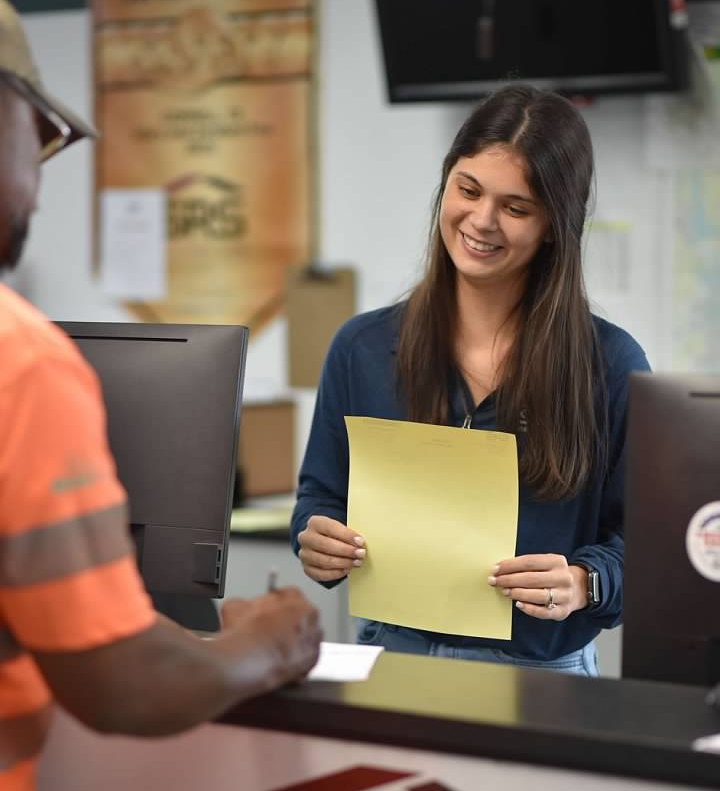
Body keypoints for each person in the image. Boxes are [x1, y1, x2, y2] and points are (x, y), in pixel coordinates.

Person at [0, 3, 321, 788]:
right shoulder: (20, 361)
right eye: (38, 138)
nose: (39, 187)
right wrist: (273, 639)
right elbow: (121, 682)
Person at [291, 84, 650, 677]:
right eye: (468, 189)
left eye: (516, 207)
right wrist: (315, 538)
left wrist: (586, 582)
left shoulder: (610, 364)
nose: (481, 221)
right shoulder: (361, 348)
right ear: (446, 185)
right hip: (390, 656)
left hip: (540, 672)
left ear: (555, 226)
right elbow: (320, 497)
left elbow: (645, 544)